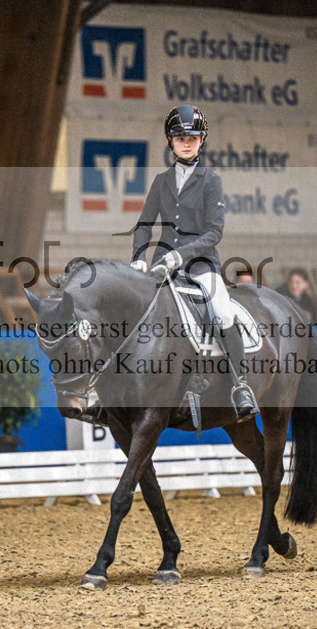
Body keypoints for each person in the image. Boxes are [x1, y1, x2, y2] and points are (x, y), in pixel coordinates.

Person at [130, 104, 258, 422]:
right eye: (179, 137)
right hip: (162, 265)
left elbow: (215, 231)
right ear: (170, 142)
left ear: (202, 141)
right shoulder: (161, 181)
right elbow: (145, 223)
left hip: (200, 263)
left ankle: (240, 385)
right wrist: (137, 259)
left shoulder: (211, 180)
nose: (186, 142)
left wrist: (181, 254)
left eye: (192, 137)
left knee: (221, 309)